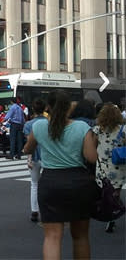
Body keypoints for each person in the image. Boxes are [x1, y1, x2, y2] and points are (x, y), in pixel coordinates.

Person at [23, 90, 98, 260]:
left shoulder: (39, 126)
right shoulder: (82, 127)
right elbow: (91, 157)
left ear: (48, 107)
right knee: (80, 236)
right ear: (69, 107)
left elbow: (27, 148)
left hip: (51, 183)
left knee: (52, 237)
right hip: (78, 183)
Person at [93, 103, 126, 233]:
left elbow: (94, 146)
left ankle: (110, 215)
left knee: (106, 191)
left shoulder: (97, 130)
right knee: (115, 191)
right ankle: (114, 211)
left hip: (102, 166)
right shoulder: (123, 129)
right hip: (119, 166)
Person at [24, 99, 48, 223]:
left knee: (34, 184)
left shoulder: (29, 124)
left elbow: (30, 143)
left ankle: (34, 211)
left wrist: (29, 158)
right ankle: (47, 210)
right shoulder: (50, 123)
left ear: (33, 109)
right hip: (48, 156)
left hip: (34, 157)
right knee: (48, 184)